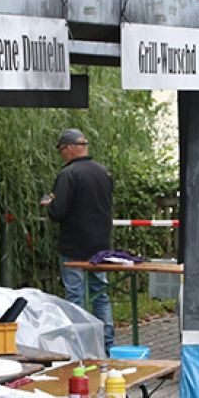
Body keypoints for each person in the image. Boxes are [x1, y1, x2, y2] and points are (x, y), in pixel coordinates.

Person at [41, 127, 115, 348]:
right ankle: (107, 342)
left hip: (74, 245)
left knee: (75, 295)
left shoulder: (68, 174)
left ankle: (81, 343)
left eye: (62, 149)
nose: (61, 154)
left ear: (71, 148)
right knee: (101, 293)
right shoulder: (104, 173)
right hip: (101, 245)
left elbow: (59, 212)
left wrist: (49, 205)